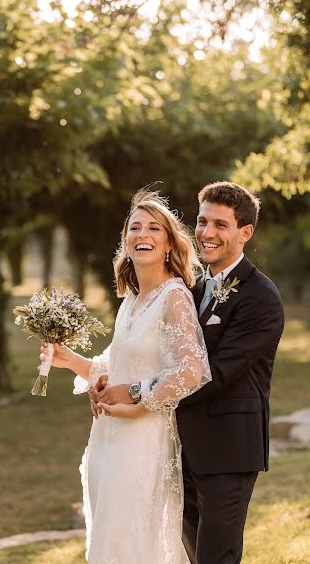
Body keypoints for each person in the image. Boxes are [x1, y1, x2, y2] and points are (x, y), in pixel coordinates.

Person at [93, 181, 285, 564]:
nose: (207, 233)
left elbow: (214, 373)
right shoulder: (190, 289)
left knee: (216, 556)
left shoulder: (261, 297)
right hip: (176, 448)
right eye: (202, 221)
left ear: (245, 232)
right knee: (189, 554)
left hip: (227, 451)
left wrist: (138, 393)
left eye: (220, 224)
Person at [40, 188, 211, 563]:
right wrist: (69, 360)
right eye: (135, 228)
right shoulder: (131, 301)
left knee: (135, 542)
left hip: (144, 439)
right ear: (126, 241)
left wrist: (140, 401)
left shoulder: (174, 296)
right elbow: (114, 368)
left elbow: (192, 369)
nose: (143, 235)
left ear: (169, 243)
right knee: (109, 540)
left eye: (154, 228)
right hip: (107, 439)